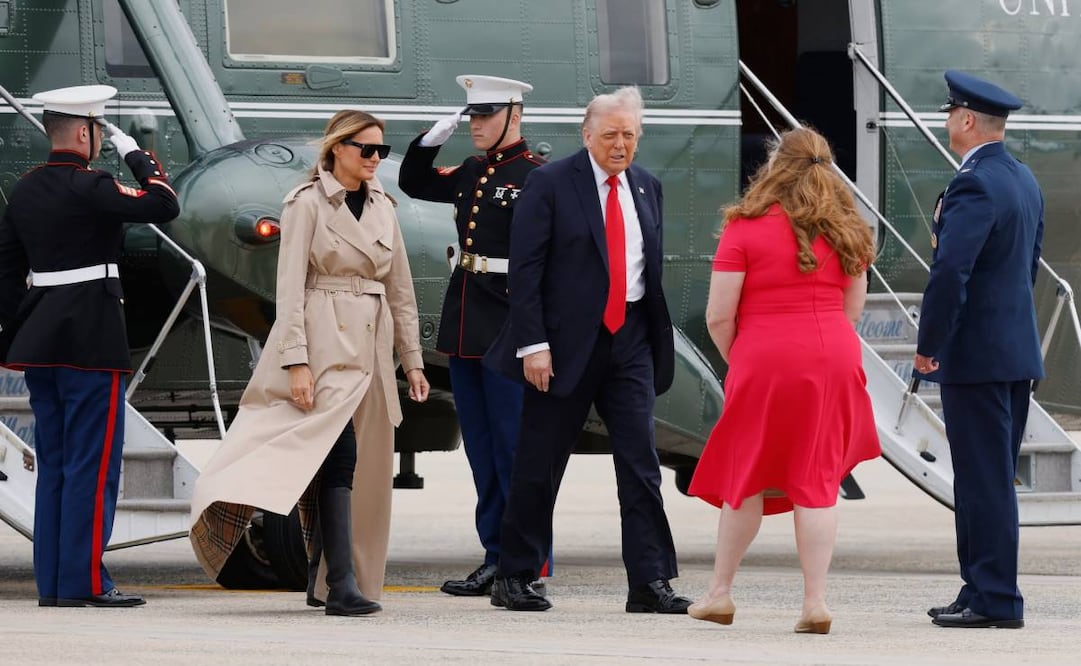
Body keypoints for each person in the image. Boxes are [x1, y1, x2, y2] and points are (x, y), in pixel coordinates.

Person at [188, 109, 430, 616]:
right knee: (337, 458)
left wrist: (412, 361)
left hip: (372, 347)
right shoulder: (305, 204)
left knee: (361, 469)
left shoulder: (385, 205)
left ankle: (331, 581)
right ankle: (339, 583)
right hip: (323, 343)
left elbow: (401, 289)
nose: (375, 160)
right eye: (366, 149)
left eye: (381, 151)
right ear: (337, 148)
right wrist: (296, 362)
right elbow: (289, 287)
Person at [484, 86, 690, 614]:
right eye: (610, 135)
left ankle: (649, 582)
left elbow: (648, 268)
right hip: (561, 345)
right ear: (587, 135)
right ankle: (516, 575)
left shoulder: (647, 187)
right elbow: (525, 270)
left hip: (631, 342)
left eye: (629, 135)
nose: (620, 144)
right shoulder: (550, 183)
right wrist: (534, 344)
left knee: (640, 463)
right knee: (540, 462)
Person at [686, 127, 880, 634]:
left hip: (765, 357)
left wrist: (742, 360)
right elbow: (852, 311)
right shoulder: (849, 228)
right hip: (832, 356)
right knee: (818, 483)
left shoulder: (744, 226)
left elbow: (718, 316)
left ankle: (719, 594)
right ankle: (814, 603)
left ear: (776, 165)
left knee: (746, 477)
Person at [0, 84, 179, 607]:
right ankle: (86, 582)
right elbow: (163, 205)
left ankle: (55, 583)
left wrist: (20, 331)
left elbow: (6, 271)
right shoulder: (92, 184)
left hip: (40, 345)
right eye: (100, 131)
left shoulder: (26, 189)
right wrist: (138, 156)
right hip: (91, 343)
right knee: (93, 466)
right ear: (85, 132)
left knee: (55, 465)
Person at [398, 74, 551, 597]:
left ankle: (527, 564)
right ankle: (495, 556)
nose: (477, 125)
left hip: (512, 323)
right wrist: (430, 139)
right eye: (472, 117)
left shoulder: (537, 177)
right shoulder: (469, 171)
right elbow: (414, 183)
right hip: (467, 321)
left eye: (486, 116)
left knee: (516, 451)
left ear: (515, 115)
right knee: (482, 453)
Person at [915, 71, 1042, 630]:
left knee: (982, 479)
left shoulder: (973, 184)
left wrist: (929, 345)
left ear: (967, 120)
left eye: (950, 114)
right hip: (1012, 352)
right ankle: (979, 587)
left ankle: (995, 598)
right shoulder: (1022, 178)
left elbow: (950, 273)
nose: (947, 123)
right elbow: (1029, 264)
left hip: (978, 359)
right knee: (983, 477)